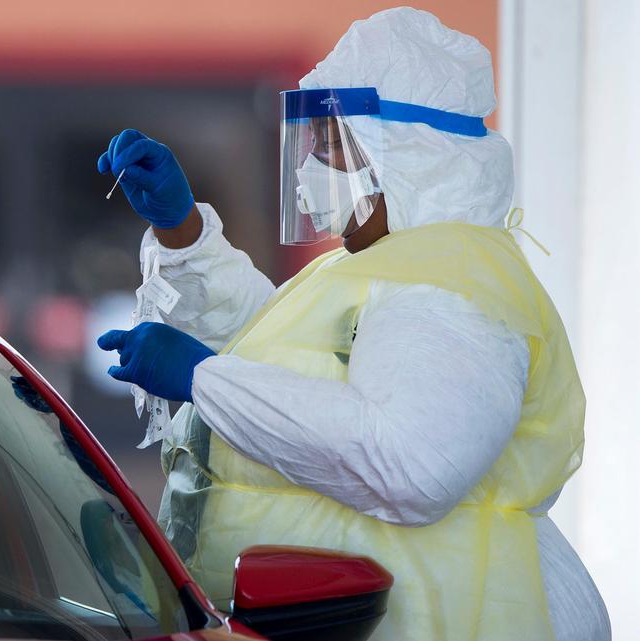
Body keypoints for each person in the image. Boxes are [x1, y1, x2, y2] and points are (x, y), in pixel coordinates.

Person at [94, 8, 609, 641]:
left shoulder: (449, 291)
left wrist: (206, 378)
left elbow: (413, 465)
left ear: (410, 155)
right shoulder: (395, 267)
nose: (313, 165)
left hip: (443, 619)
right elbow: (282, 363)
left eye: (333, 145)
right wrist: (186, 234)